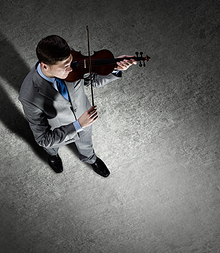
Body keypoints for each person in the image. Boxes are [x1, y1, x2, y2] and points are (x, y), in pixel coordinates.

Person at [19, 35, 136, 177]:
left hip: (83, 113)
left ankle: (90, 158)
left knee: (86, 142)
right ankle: (53, 156)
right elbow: (43, 139)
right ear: (45, 66)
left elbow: (92, 80)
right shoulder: (28, 96)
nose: (72, 68)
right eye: (65, 67)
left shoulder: (72, 58)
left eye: (71, 62)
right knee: (51, 147)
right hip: (57, 128)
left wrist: (113, 68)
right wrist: (78, 124)